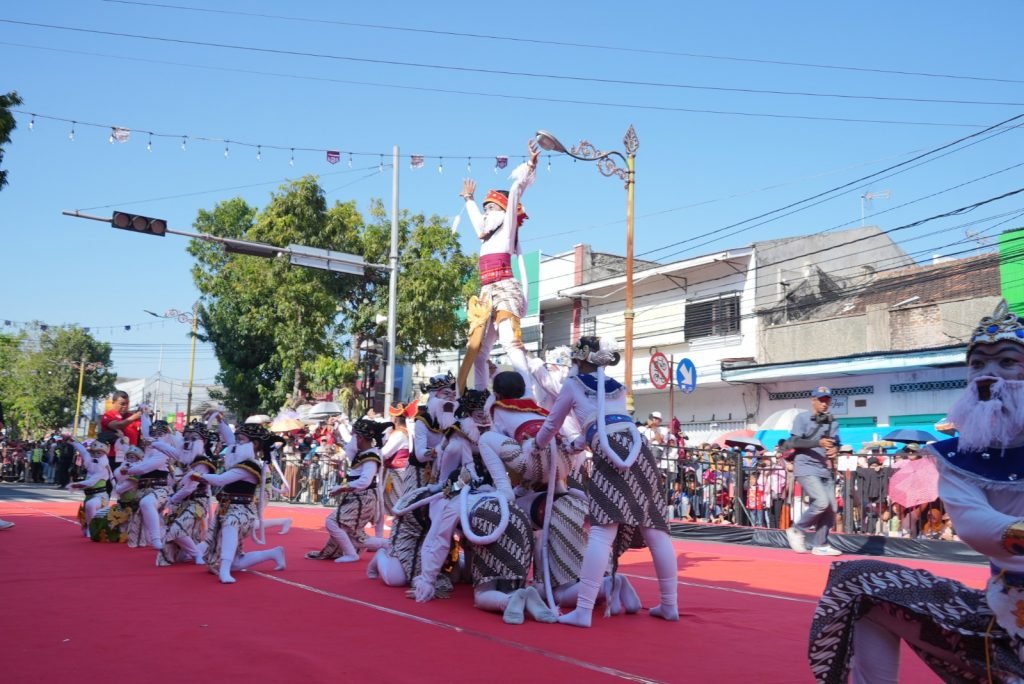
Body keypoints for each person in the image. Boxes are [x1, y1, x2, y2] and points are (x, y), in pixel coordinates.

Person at [808, 300, 1024, 682]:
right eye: (977, 365)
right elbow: (974, 523)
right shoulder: (958, 457)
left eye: (1007, 363)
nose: (987, 377)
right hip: (1005, 615)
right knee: (860, 581)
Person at [535, 336, 678, 628]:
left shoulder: (573, 385)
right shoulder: (615, 386)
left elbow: (552, 424)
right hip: (639, 449)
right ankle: (669, 604)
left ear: (577, 361)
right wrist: (578, 443)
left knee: (602, 531)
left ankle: (584, 610)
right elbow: (606, 422)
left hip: (611, 453)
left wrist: (536, 445)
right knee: (655, 531)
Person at [456, 140, 540, 397]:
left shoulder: (506, 228)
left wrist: (530, 165)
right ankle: (480, 394)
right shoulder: (486, 235)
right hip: (486, 292)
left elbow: (516, 189)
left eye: (491, 207)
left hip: (505, 288)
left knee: (509, 340)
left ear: (504, 210)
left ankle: (527, 394)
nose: (487, 212)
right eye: (486, 209)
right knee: (479, 349)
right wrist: (470, 201)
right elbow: (476, 223)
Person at [199, 416, 286, 584]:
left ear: (253, 444)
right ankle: (273, 553)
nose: (236, 444)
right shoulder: (240, 459)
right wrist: (221, 420)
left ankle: (224, 571)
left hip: (240, 510)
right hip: (227, 507)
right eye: (237, 440)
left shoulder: (250, 466)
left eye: (241, 440)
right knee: (236, 562)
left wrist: (198, 476)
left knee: (230, 524)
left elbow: (220, 480)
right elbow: (230, 441)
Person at [306, 419, 389, 563]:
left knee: (333, 522)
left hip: (363, 498)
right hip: (359, 497)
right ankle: (390, 545)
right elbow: (349, 451)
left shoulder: (370, 456)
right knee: (353, 537)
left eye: (354, 436)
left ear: (361, 438)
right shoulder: (364, 453)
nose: (352, 439)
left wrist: (342, 487)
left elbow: (365, 481)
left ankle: (352, 554)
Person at [785, 387, 842, 556]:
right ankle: (797, 529)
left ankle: (821, 544)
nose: (824, 403)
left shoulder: (833, 422)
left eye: (827, 400)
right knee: (822, 502)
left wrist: (835, 450)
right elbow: (793, 441)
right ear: (813, 400)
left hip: (824, 468)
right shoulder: (801, 418)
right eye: (821, 400)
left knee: (831, 507)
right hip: (805, 466)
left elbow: (836, 443)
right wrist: (818, 443)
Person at [100, 391, 143, 471]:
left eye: (127, 404)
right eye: (122, 404)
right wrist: (133, 418)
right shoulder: (109, 415)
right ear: (113, 403)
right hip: (112, 457)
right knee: (112, 482)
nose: (125, 407)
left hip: (131, 457)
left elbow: (143, 430)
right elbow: (118, 425)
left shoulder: (131, 415)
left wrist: (146, 416)